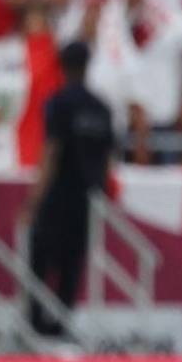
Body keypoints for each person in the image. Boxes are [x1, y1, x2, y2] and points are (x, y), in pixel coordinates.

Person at [22, 42, 114, 336]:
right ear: (87, 66)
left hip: (56, 196)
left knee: (41, 258)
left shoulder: (58, 103)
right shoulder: (102, 108)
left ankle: (36, 324)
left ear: (62, 66)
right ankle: (61, 325)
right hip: (86, 199)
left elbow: (51, 152)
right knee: (72, 262)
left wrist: (33, 201)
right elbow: (107, 160)